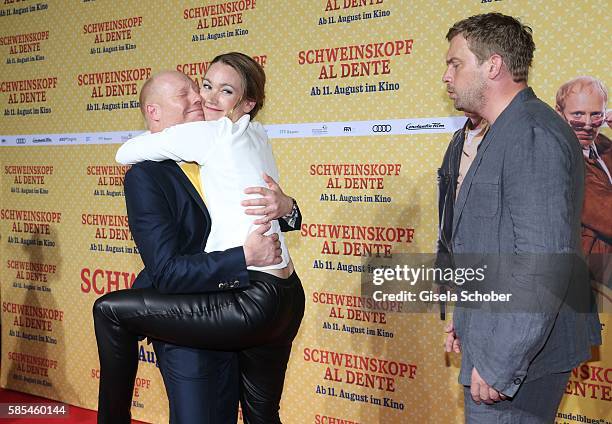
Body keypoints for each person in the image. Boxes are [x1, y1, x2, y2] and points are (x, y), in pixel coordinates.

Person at [94, 53, 305, 424]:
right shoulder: (147, 175)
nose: (199, 99)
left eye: (204, 89)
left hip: (243, 304)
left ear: (245, 101)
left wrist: (286, 206)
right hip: (195, 319)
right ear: (154, 112)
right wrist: (243, 257)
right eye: (188, 93)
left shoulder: (225, 140)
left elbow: (262, 208)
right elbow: (168, 271)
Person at [441, 13, 601, 422]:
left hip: (520, 356)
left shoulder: (531, 133)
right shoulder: (506, 129)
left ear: (492, 66)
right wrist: (467, 318)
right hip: (502, 338)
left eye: (455, 63)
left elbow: (541, 263)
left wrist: (501, 362)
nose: (447, 76)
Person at [555, 76, 611, 286]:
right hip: (586, 272)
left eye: (595, 115)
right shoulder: (562, 158)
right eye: (578, 114)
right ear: (559, 113)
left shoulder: (604, 145)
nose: (587, 124)